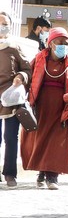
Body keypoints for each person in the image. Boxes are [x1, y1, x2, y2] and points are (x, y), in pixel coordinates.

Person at [21, 27, 68, 190]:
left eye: (66, 43)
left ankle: (52, 177)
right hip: (41, 107)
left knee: (57, 143)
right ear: (51, 44)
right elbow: (28, 76)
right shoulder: (38, 59)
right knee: (41, 140)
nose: (63, 45)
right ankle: (42, 173)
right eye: (59, 42)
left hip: (62, 110)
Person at [0, 12, 32, 188]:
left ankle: (10, 173)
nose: (2, 26)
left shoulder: (14, 47)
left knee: (11, 137)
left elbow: (28, 69)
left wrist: (20, 77)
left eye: (4, 23)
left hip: (11, 100)